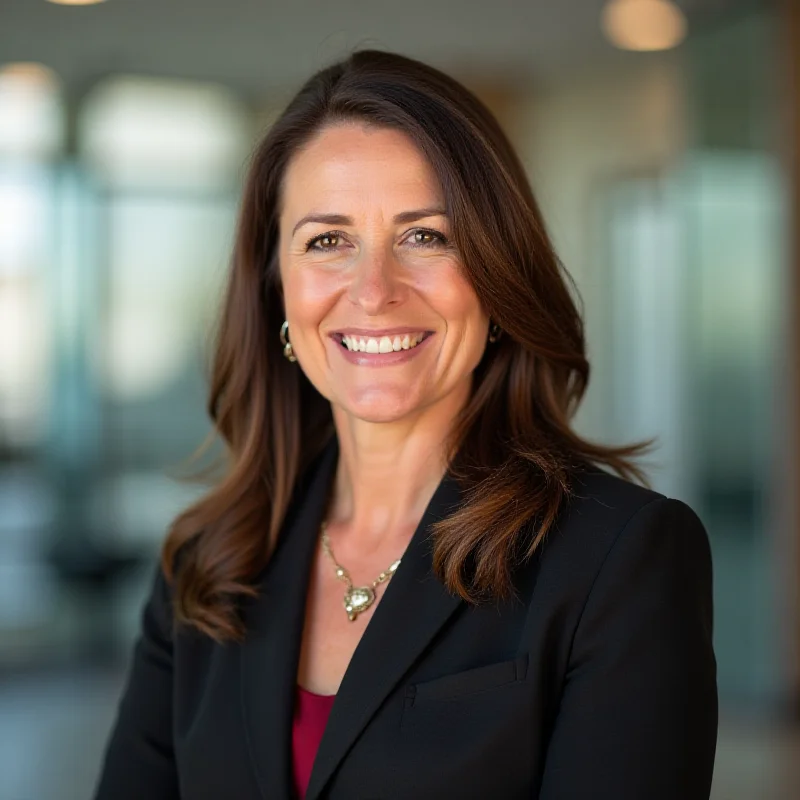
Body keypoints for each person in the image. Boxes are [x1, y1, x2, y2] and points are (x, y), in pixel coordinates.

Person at [93, 50, 717, 800]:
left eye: (426, 236)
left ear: (496, 272)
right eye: (328, 240)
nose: (375, 290)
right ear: (277, 289)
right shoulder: (206, 561)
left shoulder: (620, 558)